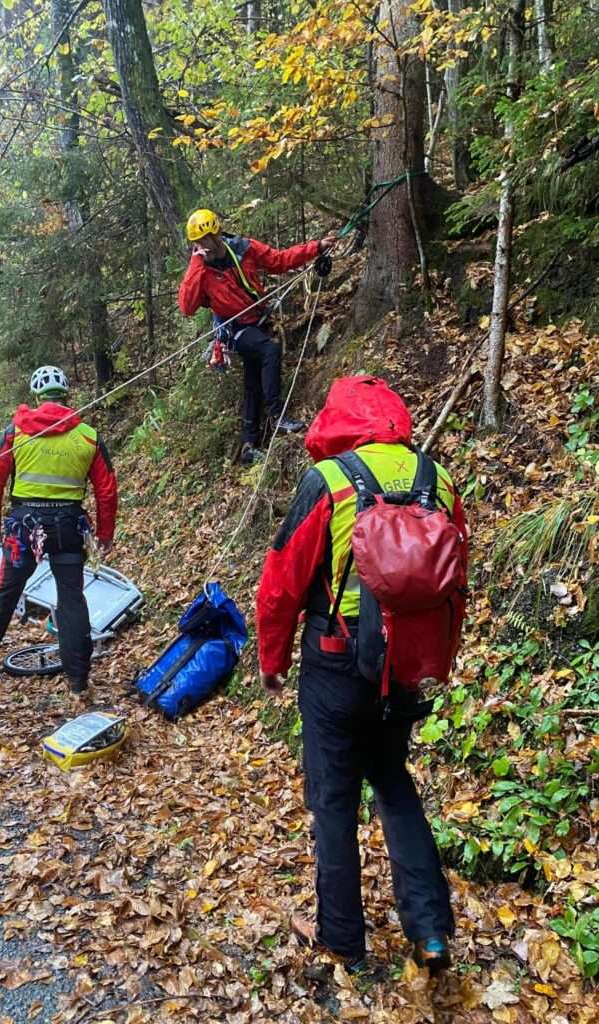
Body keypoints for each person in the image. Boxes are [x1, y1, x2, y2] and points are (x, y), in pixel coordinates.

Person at [255, 375, 468, 972]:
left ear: (338, 420)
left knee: (334, 799)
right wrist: (434, 660)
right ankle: (429, 929)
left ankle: (343, 941)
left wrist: (273, 660)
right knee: (393, 781)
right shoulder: (437, 478)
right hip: (401, 667)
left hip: (335, 664)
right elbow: (457, 580)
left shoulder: (328, 480)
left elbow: (281, 583)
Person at [0, 365, 118, 694]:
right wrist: (105, 534)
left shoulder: (16, 432)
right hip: (68, 528)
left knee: (6, 590)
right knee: (71, 599)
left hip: (25, 528)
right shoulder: (87, 436)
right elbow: (107, 490)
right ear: (67, 396)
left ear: (37, 397)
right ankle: (78, 680)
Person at [177, 208, 335, 464]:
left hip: (257, 321)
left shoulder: (243, 249)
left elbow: (279, 260)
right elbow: (187, 306)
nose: (204, 245)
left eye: (207, 238)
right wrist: (196, 262)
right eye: (198, 242)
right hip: (234, 329)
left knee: (252, 380)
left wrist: (316, 247)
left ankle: (249, 444)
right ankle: (276, 416)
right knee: (269, 351)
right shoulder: (201, 271)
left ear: (217, 234)